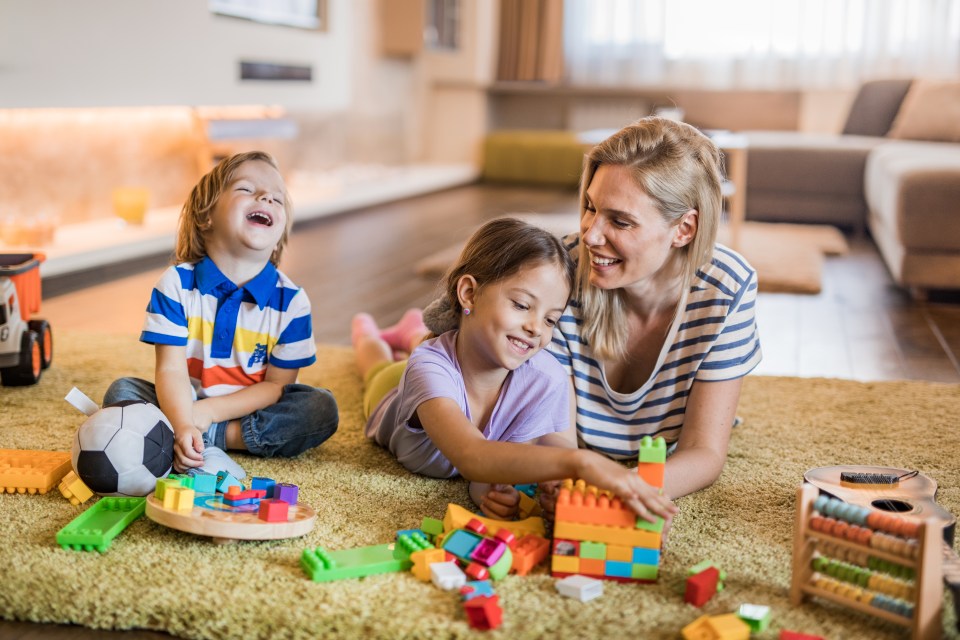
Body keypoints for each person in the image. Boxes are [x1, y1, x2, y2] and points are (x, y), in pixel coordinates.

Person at [425, 117, 762, 507]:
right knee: (408, 366)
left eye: (620, 221)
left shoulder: (728, 287)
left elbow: (704, 452)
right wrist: (565, 482)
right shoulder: (560, 273)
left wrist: (623, 490)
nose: (591, 235)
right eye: (589, 207)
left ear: (684, 229)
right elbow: (556, 435)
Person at [354, 217, 676, 523]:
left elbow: (530, 453)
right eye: (522, 305)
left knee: (429, 344)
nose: (536, 328)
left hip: (455, 351)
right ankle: (367, 333)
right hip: (395, 385)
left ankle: (412, 328)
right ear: (469, 293)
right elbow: (472, 455)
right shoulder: (427, 368)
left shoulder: (545, 376)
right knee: (378, 367)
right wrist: (583, 463)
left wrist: (544, 484)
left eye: (551, 319)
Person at [103, 150, 338, 478]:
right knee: (121, 393)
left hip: (250, 413)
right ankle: (185, 435)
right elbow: (170, 369)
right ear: (206, 216)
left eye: (278, 198)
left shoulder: (292, 303)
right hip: (180, 403)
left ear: (279, 236)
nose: (266, 196)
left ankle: (203, 439)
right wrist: (184, 420)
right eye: (246, 189)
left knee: (319, 409)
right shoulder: (176, 285)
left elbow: (275, 388)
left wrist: (207, 414)